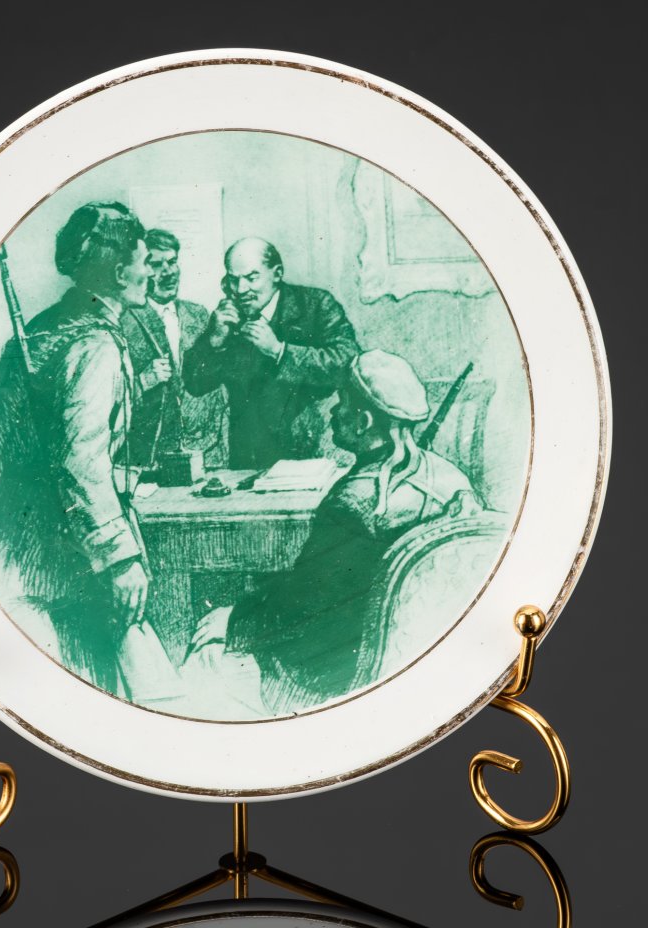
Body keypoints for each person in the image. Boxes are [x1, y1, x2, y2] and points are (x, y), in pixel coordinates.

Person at [187, 349, 478, 712]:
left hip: (336, 676)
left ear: (363, 422)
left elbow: (301, 606)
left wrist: (233, 621)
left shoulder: (352, 504)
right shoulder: (455, 481)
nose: (332, 412)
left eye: (342, 404)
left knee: (203, 663)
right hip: (416, 657)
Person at [0, 202, 151, 694]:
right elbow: (81, 463)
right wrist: (120, 559)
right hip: (63, 547)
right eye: (144, 262)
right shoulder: (96, 345)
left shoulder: (37, 329)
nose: (150, 273)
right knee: (85, 684)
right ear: (119, 272)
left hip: (8, 534)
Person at [182, 237, 359, 468]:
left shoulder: (316, 305)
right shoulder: (227, 318)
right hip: (248, 457)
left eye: (251, 278)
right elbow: (195, 384)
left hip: (313, 451)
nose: (241, 289)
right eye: (233, 280)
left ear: (277, 274)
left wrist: (279, 351)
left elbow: (347, 361)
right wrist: (214, 341)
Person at [120, 228, 227, 467]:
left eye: (172, 262)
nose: (168, 272)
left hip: (208, 450)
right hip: (153, 455)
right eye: (157, 264)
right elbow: (110, 398)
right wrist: (144, 380)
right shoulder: (125, 321)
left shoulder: (199, 315)